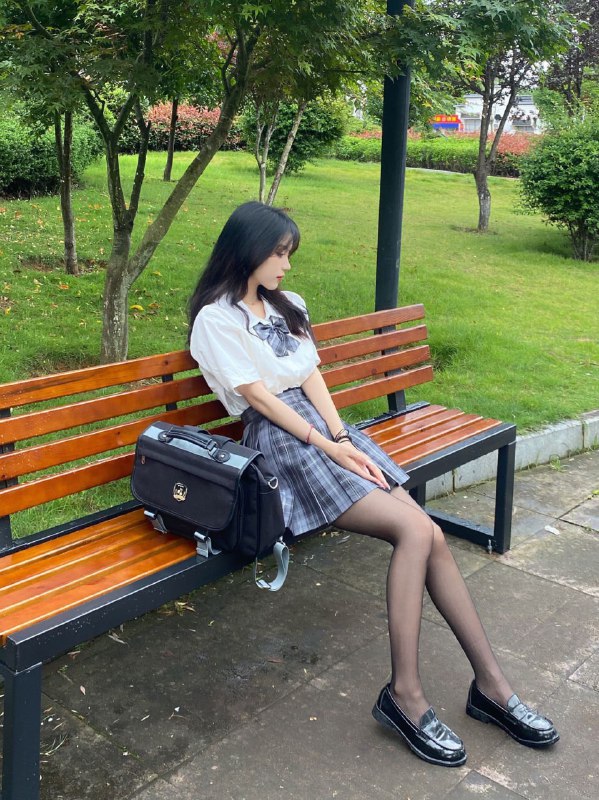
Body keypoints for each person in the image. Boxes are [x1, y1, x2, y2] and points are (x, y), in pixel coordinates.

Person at [188, 201, 559, 767]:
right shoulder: (215, 320)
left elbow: (310, 375)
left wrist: (344, 437)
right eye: (279, 253)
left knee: (431, 534)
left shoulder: (288, 304)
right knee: (415, 532)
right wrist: (326, 445)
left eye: (289, 254)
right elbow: (259, 400)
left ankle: (491, 686)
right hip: (283, 445)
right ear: (248, 250)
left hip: (326, 434)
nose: (287, 264)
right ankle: (406, 697)